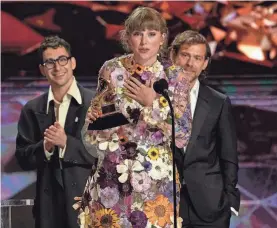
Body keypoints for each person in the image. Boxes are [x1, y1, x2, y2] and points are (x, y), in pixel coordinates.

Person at [77, 7, 192, 228]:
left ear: (162, 38)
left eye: (151, 33)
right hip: (112, 178)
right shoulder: (111, 70)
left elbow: (183, 135)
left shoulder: (174, 76)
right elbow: (93, 133)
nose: (144, 41)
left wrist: (152, 104)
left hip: (155, 182)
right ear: (127, 38)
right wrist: (93, 121)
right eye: (138, 33)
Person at [15, 35, 96, 228]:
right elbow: (22, 158)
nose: (57, 68)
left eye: (62, 60)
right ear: (43, 70)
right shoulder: (33, 108)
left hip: (88, 205)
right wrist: (46, 147)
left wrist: (66, 143)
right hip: (48, 209)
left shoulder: (94, 103)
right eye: (50, 62)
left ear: (73, 63)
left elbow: (106, 154)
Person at [169, 30, 240, 228]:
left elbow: (228, 155)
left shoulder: (218, 101)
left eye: (197, 58)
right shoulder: (156, 97)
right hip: (165, 204)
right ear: (173, 56)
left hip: (211, 206)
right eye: (185, 55)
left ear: (205, 63)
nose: (190, 64)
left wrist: (230, 200)